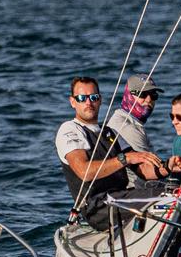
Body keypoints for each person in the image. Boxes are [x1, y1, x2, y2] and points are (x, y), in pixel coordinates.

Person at [56, 74, 162, 223]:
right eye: (82, 98)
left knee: (172, 191)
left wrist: (169, 167)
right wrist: (125, 158)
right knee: (166, 197)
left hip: (121, 197)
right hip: (98, 206)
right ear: (73, 102)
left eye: (93, 97)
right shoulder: (70, 129)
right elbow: (84, 172)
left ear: (100, 100)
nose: (88, 102)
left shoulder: (109, 132)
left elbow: (143, 171)